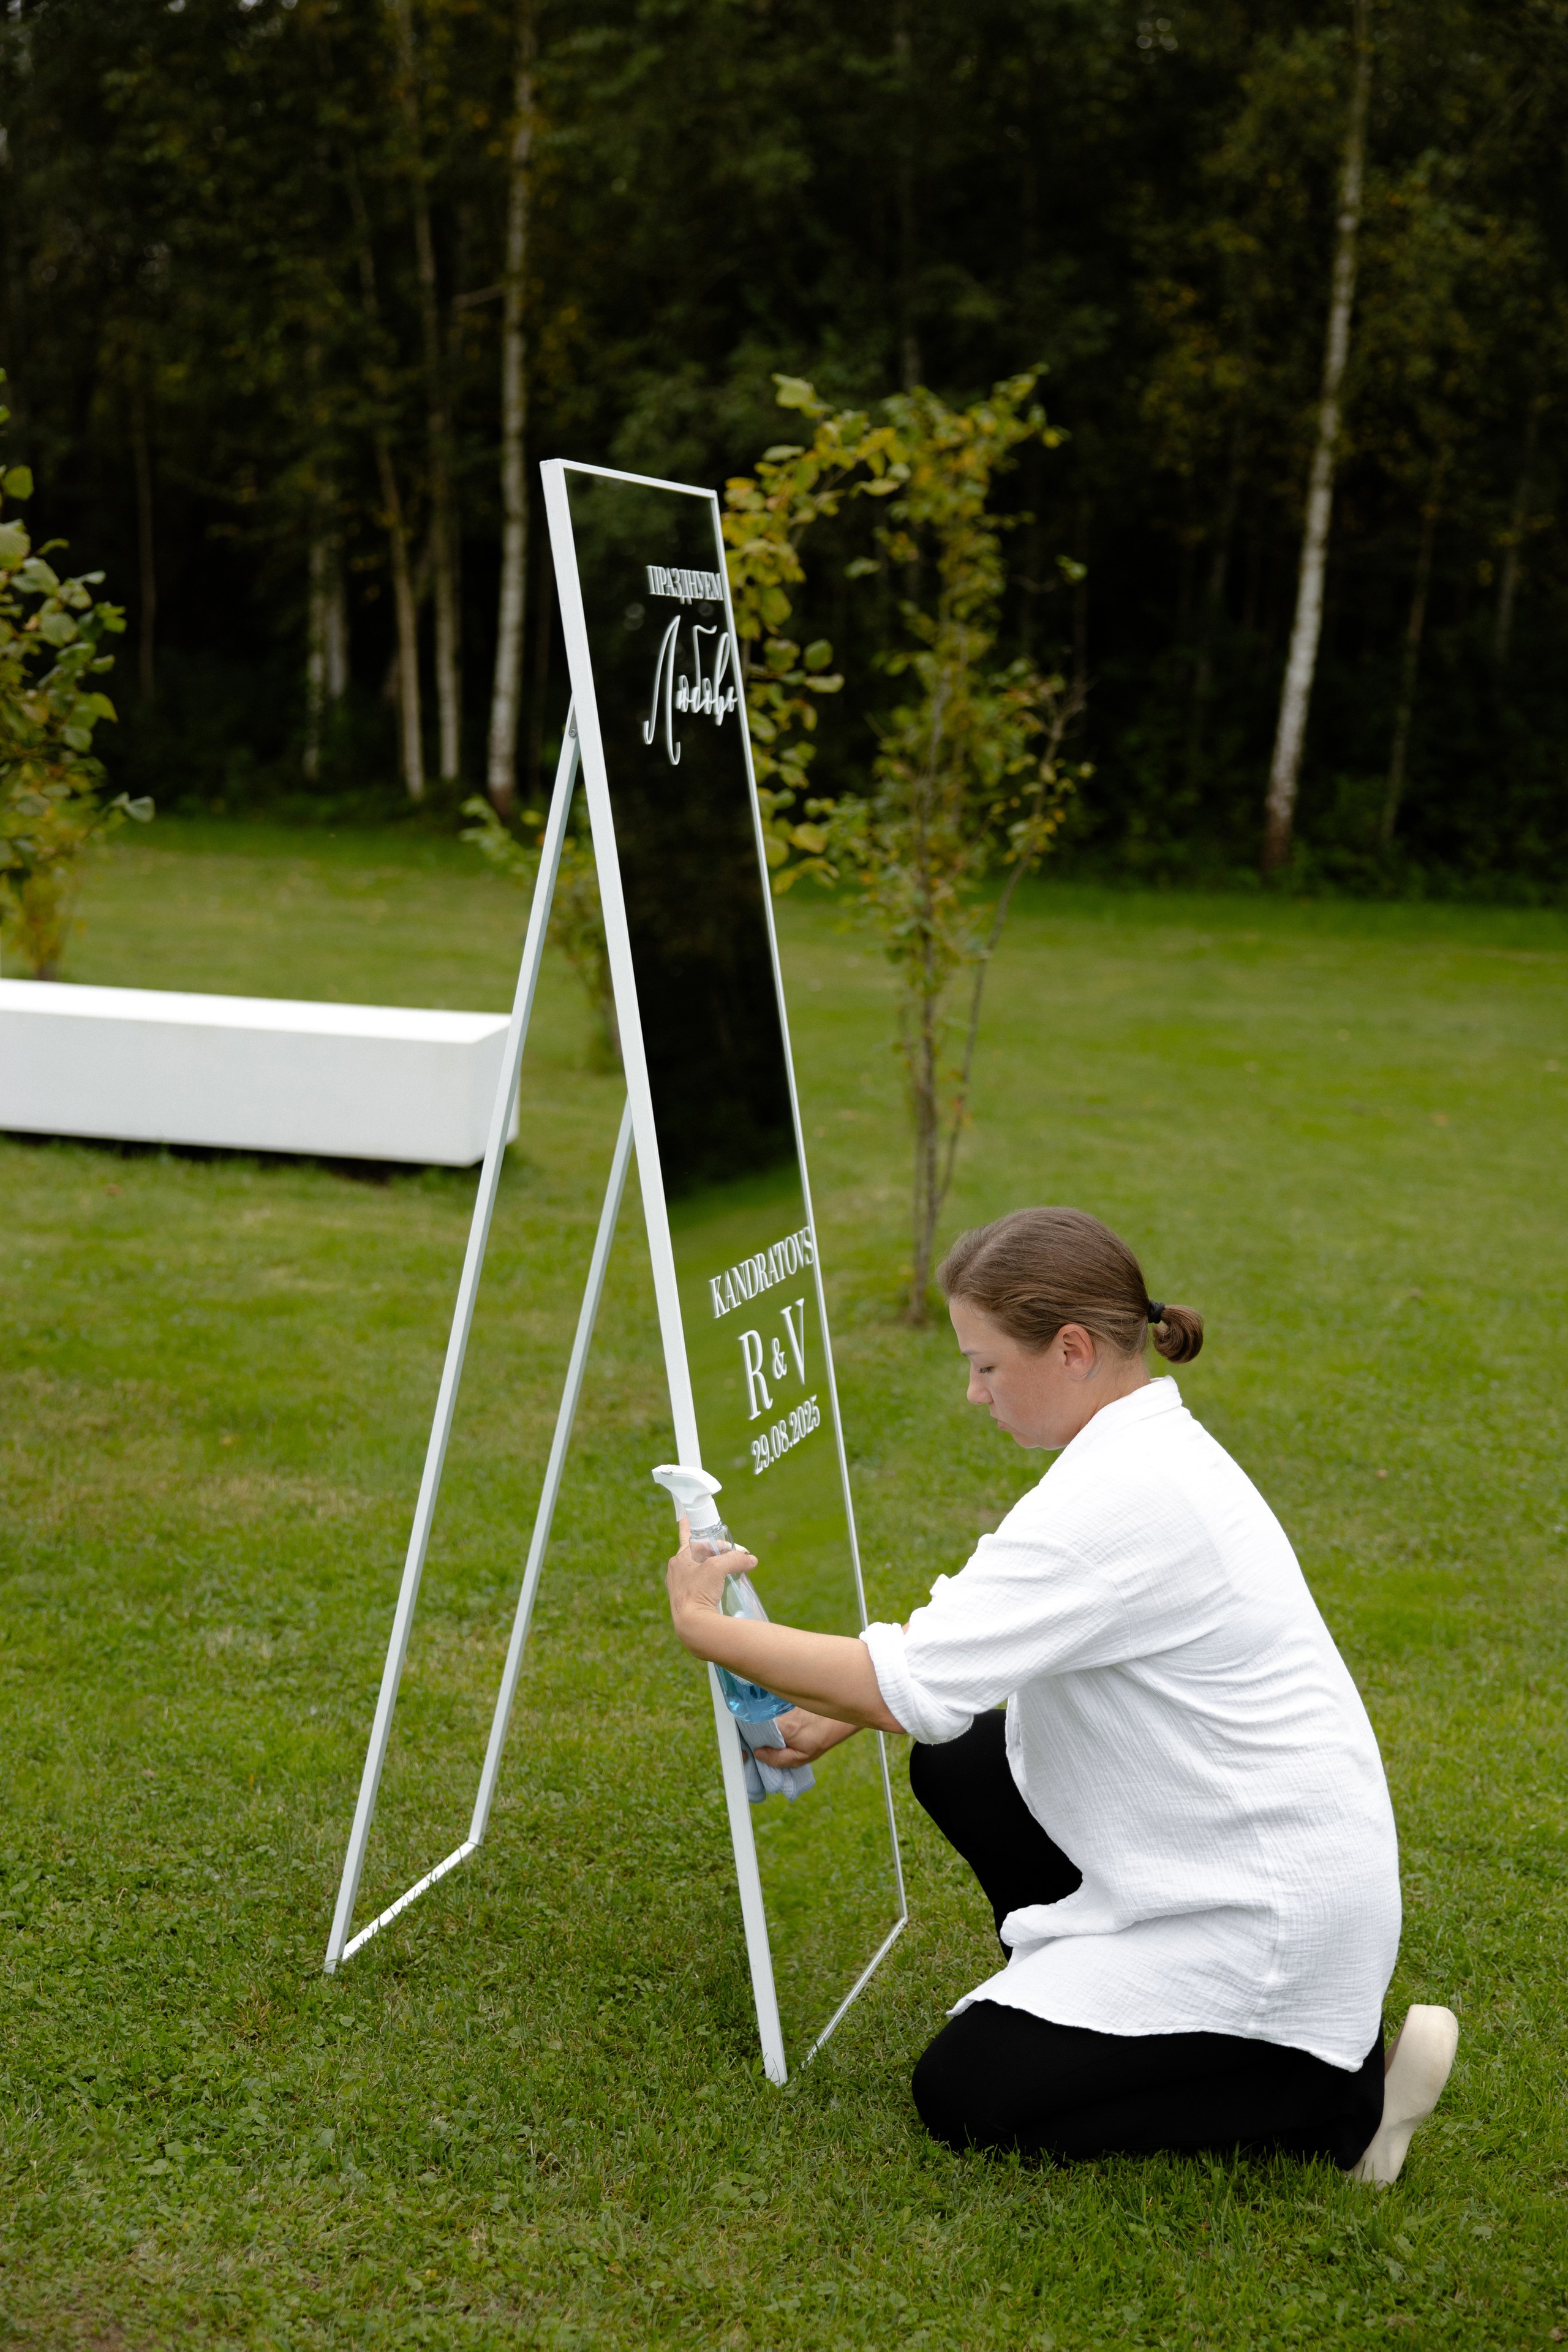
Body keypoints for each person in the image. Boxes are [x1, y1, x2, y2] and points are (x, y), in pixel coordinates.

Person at [663, 1205, 1458, 2181]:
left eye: (988, 1366)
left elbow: (903, 1683)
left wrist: (707, 1625)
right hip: (1249, 1856)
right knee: (962, 1760)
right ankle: (1106, 2009)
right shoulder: (1137, 1450)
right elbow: (972, 1645)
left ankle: (1333, 2093)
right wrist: (819, 1718)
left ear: (1073, 1348)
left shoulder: (1121, 1497)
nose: (972, 1393)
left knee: (965, 2092)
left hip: (1271, 1920)